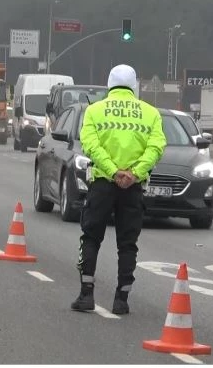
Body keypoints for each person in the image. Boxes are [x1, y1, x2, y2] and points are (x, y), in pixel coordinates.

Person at [71, 64, 166, 315]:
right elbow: (156, 148)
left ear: (109, 83)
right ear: (135, 86)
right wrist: (134, 173)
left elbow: (90, 145)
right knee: (127, 243)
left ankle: (86, 294)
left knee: (91, 237)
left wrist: (113, 171)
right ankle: (121, 299)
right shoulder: (151, 113)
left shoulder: (95, 111)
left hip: (102, 183)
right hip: (133, 187)